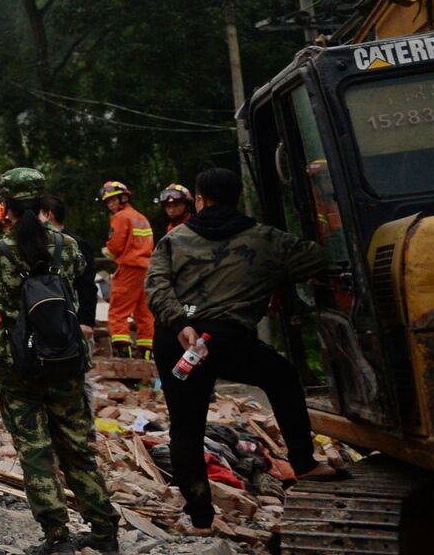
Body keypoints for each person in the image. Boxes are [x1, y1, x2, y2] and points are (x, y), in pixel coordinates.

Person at [146, 167, 343, 535]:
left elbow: (156, 289)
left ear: (199, 199)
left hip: (178, 340)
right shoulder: (265, 239)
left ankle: (201, 519)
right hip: (229, 339)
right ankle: (303, 461)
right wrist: (270, 278)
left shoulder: (174, 240)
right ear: (236, 197)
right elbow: (319, 257)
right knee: (282, 376)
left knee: (186, 429)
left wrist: (179, 323)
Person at [0, 168, 120, 554]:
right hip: (66, 358)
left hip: (18, 363)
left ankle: (58, 538)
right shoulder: (68, 247)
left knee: (35, 451)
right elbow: (81, 275)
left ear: (5, 207)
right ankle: (104, 532)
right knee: (78, 448)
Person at [101, 181, 156, 359]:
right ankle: (146, 352)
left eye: (113, 200)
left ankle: (122, 352)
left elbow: (115, 245)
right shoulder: (141, 217)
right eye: (107, 201)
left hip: (129, 268)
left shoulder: (120, 217)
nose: (110, 204)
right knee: (144, 312)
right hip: (146, 269)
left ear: (123, 198)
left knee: (118, 311)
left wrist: (107, 251)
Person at [44, 196, 101, 349]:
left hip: (71, 317)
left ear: (49, 215)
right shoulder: (38, 244)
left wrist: (86, 321)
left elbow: (87, 284)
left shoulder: (76, 244)